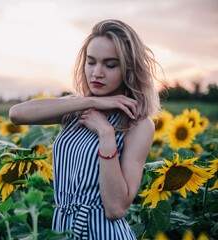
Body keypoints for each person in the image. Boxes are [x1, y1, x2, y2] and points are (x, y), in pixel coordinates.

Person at [9, 19, 161, 239]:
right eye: (91, 62)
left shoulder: (137, 125)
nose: (97, 73)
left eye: (110, 65)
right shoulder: (74, 110)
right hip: (62, 230)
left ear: (129, 69)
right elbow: (17, 114)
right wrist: (92, 102)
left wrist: (106, 134)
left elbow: (116, 208)